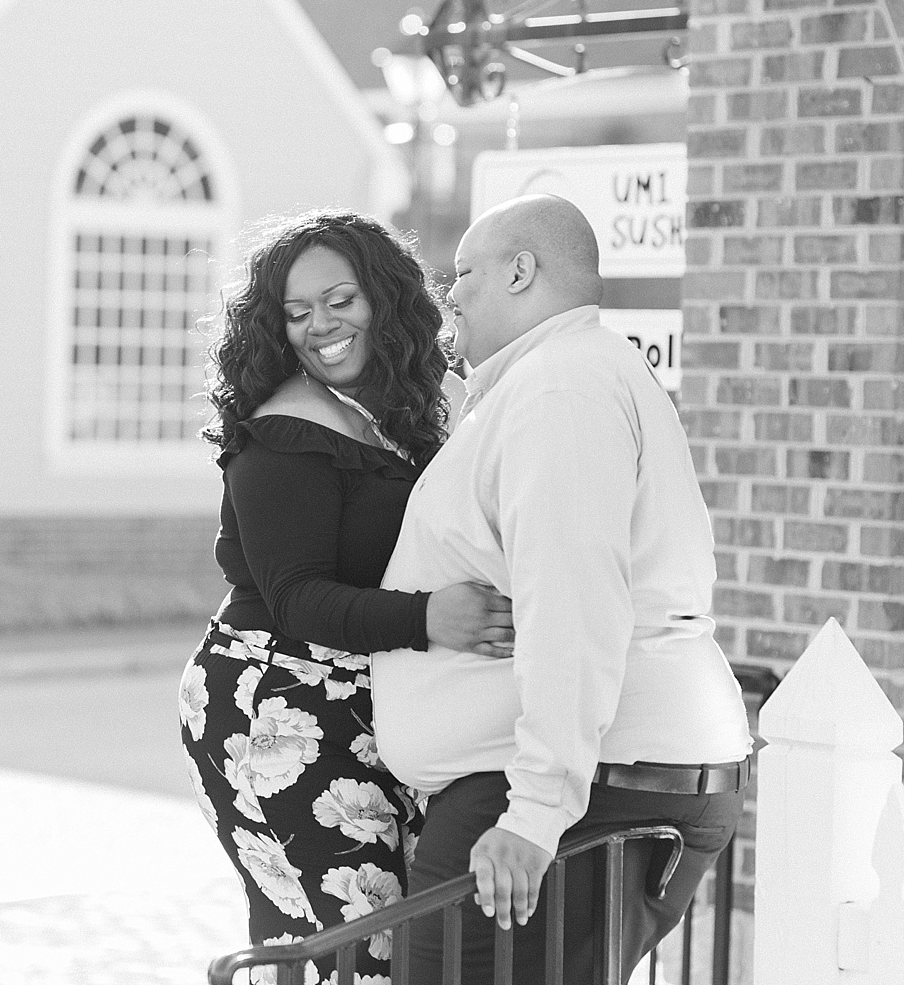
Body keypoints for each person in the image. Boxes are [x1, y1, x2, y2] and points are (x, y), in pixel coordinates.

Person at [372, 194, 753, 983]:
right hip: (592, 784)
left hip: (582, 795)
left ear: (522, 270)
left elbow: (574, 600)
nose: (451, 297)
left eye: (465, 274)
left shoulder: (561, 389)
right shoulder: (556, 380)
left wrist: (537, 813)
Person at [179, 210, 515, 984]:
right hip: (273, 707)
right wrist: (429, 618)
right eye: (297, 313)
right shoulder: (283, 435)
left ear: (383, 297)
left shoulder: (398, 413)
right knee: (358, 942)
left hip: (354, 702)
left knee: (343, 938)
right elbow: (296, 598)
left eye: (340, 300)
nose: (320, 327)